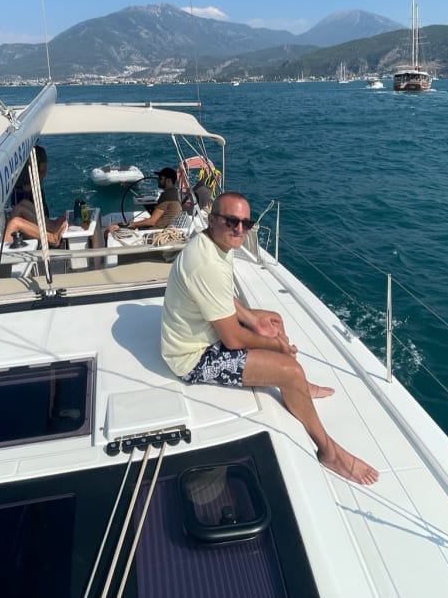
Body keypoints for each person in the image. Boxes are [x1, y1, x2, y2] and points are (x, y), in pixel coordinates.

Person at [160, 191, 380, 486]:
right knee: (290, 370)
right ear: (213, 220)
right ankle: (329, 452)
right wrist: (276, 345)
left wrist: (254, 320)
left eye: (246, 223)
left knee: (273, 318)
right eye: (231, 221)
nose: (239, 229)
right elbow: (233, 341)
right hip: (192, 357)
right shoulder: (206, 264)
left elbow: (219, 299)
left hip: (204, 332)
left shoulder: (211, 243)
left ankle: (297, 388)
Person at [5, 145, 67, 247]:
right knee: (16, 221)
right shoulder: (13, 153)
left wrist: (31, 185)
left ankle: (51, 225)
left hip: (33, 189)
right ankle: (51, 238)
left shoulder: (39, 151)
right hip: (18, 191)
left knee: (23, 204)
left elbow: (43, 171)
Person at [107, 167, 183, 234]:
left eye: (160, 178)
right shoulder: (175, 192)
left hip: (154, 232)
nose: (158, 180)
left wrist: (128, 225)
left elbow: (152, 222)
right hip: (163, 228)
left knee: (108, 231)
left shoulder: (167, 196)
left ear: (168, 181)